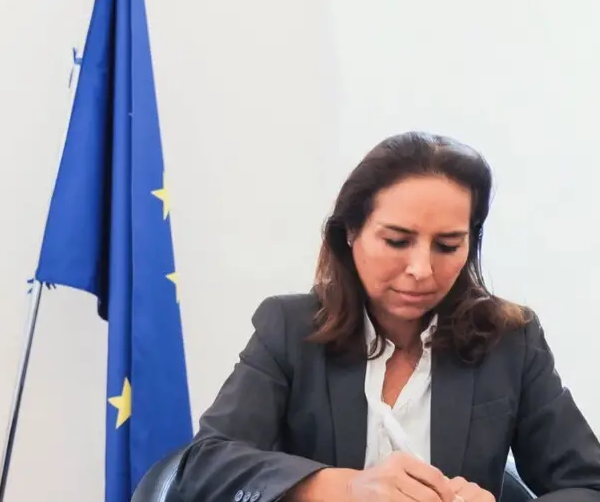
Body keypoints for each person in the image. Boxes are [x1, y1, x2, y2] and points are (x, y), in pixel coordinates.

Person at [174, 131, 600, 502]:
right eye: (397, 241)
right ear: (350, 232)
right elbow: (204, 465)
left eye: (448, 246)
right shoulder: (289, 328)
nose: (421, 270)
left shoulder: (510, 340)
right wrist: (344, 488)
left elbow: (588, 485)